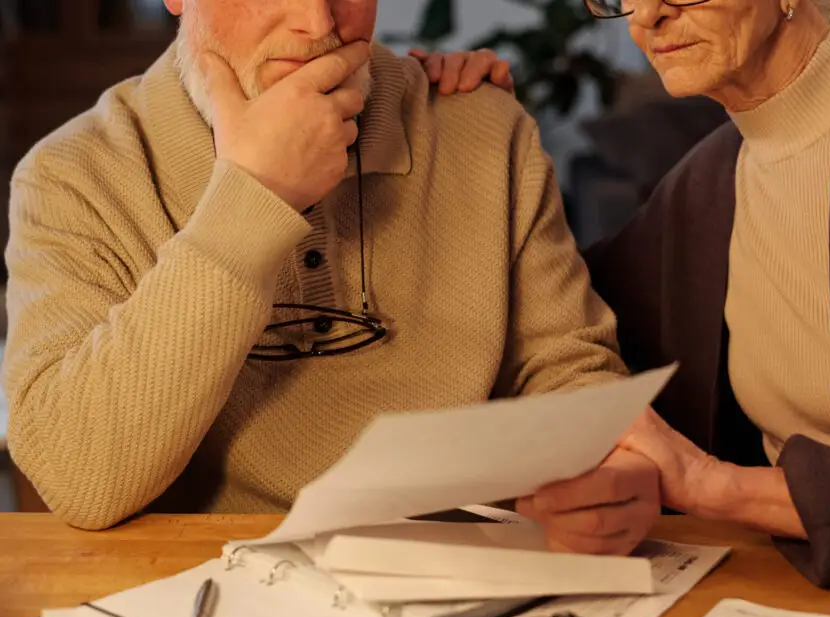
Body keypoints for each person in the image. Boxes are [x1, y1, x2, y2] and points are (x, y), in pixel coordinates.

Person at [2, 0, 663, 548]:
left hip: (468, 585)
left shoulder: (482, 128)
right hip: (205, 599)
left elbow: (570, 373)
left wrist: (602, 469)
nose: (318, 23)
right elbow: (79, 475)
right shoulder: (72, 176)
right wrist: (253, 197)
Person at [445, 0, 830, 587]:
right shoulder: (704, 184)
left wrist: (708, 484)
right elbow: (541, 324)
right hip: (783, 587)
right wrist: (467, 133)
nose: (645, 17)